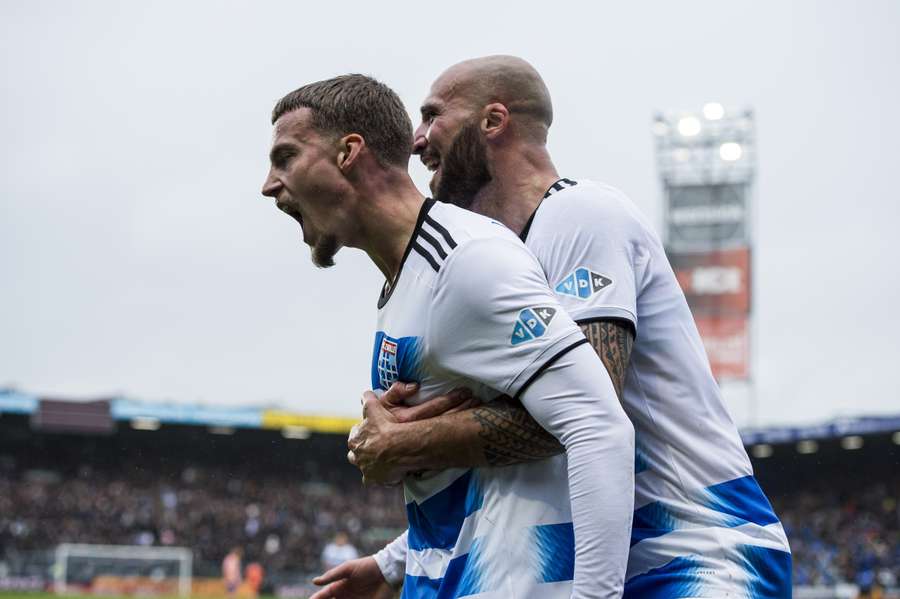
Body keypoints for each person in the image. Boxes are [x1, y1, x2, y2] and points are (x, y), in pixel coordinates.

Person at [341, 56, 793, 597]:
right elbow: (527, 456)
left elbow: (584, 411)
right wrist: (396, 560)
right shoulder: (499, 264)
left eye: (433, 115)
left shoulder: (581, 215)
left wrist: (407, 440)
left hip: (706, 554)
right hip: (631, 563)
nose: (417, 141)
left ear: (493, 121)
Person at [261, 74, 634, 598]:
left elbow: (598, 424)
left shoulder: (467, 260)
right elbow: (469, 466)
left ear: (349, 152)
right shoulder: (406, 278)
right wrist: (398, 562)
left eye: (286, 158)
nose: (269, 184)